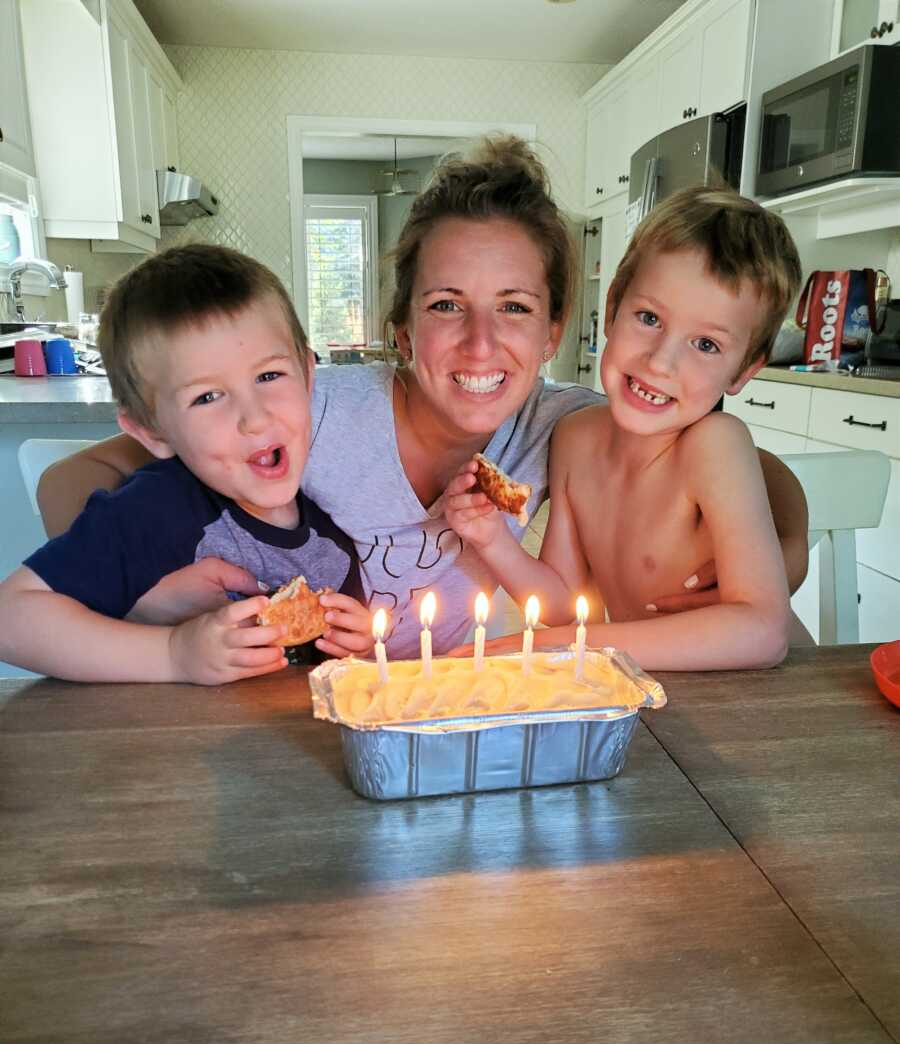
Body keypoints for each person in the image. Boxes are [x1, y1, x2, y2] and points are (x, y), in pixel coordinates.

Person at [34, 138, 809, 658]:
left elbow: (746, 465)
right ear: (400, 329)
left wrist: (786, 551)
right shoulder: (308, 410)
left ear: (553, 332)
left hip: (443, 709)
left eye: (513, 306)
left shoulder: (564, 424)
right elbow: (66, 483)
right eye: (445, 305)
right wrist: (161, 600)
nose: (479, 344)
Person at [444, 185, 804, 671]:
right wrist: (493, 540)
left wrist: (567, 646)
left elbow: (764, 633)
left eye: (706, 345)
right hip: (660, 693)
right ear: (612, 307)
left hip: (763, 702)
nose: (661, 361)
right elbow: (563, 607)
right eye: (650, 318)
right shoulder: (574, 437)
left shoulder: (715, 445)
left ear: (743, 371)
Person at [0, 245, 373, 683]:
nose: (255, 419)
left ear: (309, 377)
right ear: (152, 431)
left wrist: (357, 645)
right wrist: (175, 654)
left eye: (269, 376)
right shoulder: (155, 510)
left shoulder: (339, 504)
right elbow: (11, 620)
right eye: (207, 397)